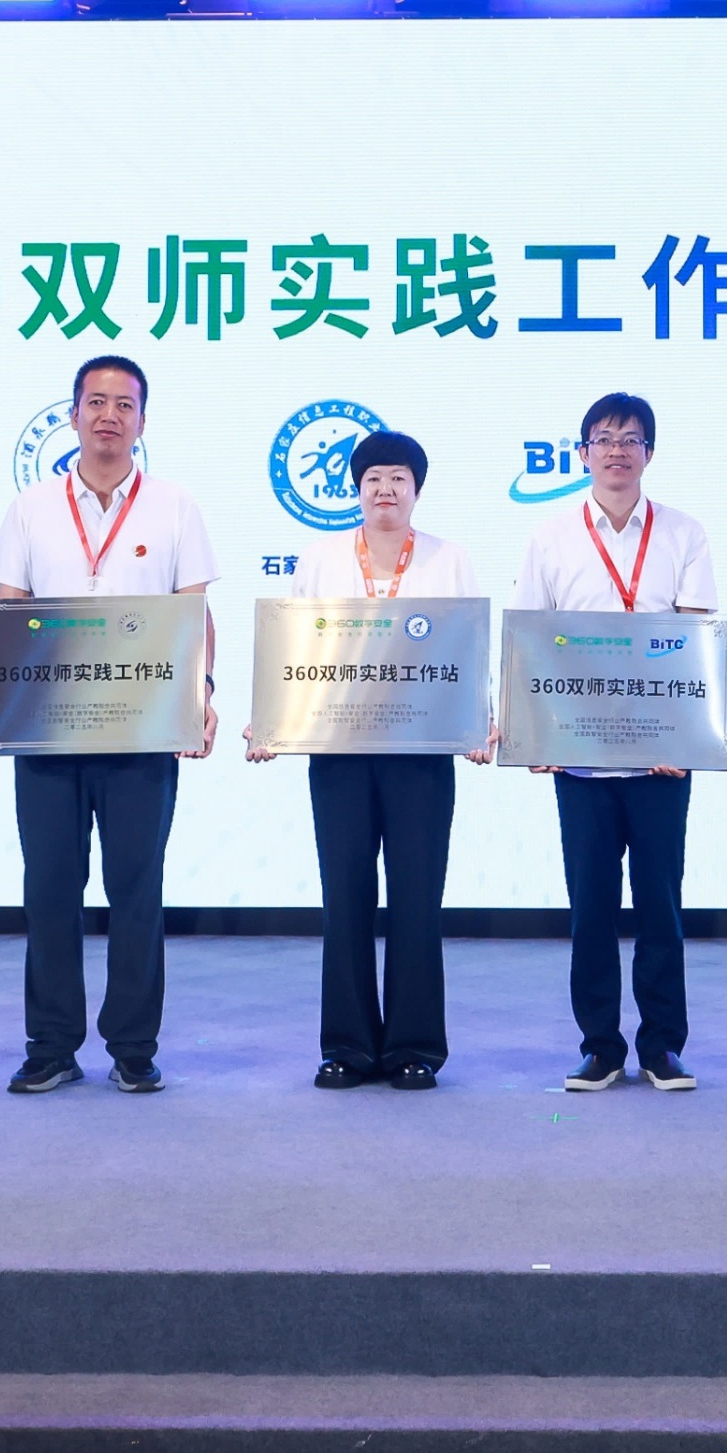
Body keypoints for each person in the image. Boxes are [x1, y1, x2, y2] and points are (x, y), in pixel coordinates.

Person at [0, 356, 219, 1096]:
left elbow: (194, 612)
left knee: (137, 888)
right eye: (95, 402)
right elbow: (7, 611)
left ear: (142, 420)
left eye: (123, 404)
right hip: (46, 728)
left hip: (142, 730)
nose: (108, 415)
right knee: (49, 889)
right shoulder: (32, 506)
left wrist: (202, 692)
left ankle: (133, 1046)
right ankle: (51, 1045)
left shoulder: (174, 506)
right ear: (72, 416)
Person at [249, 429, 482, 1091]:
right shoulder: (320, 558)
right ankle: (347, 1047)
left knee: (417, 898)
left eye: (398, 478)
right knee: (344, 896)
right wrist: (270, 722)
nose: (385, 489)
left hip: (420, 755)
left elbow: (467, 648)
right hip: (339, 753)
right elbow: (292, 651)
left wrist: (478, 720)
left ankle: (415, 1046)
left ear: (416, 490)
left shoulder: (448, 559)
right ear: (355, 488)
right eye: (374, 478)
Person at [509, 392, 717, 1092]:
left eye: (631, 439)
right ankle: (600, 1045)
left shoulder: (684, 533)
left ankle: (662, 1046)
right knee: (590, 905)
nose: (617, 450)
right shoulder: (550, 538)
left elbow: (695, 641)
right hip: (580, 757)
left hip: (661, 757)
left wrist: (686, 740)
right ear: (582, 453)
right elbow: (530, 642)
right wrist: (533, 733)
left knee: (661, 905)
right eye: (603, 438)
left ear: (649, 453)